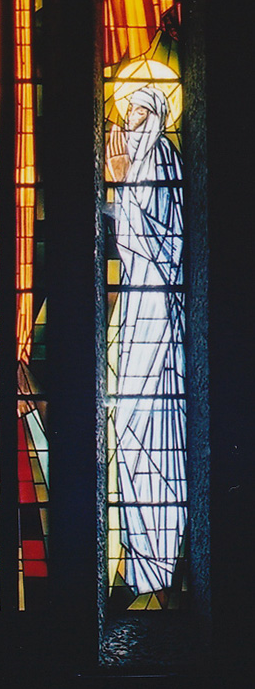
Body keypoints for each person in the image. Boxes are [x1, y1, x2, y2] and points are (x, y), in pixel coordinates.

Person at [106, 86, 186, 597]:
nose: (132, 120)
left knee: (150, 425)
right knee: (130, 427)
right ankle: (142, 562)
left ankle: (160, 565)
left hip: (158, 303)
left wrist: (121, 184)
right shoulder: (137, 161)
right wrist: (118, 187)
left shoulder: (163, 159)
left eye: (140, 111)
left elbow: (160, 244)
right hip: (138, 305)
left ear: (157, 116)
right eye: (128, 111)